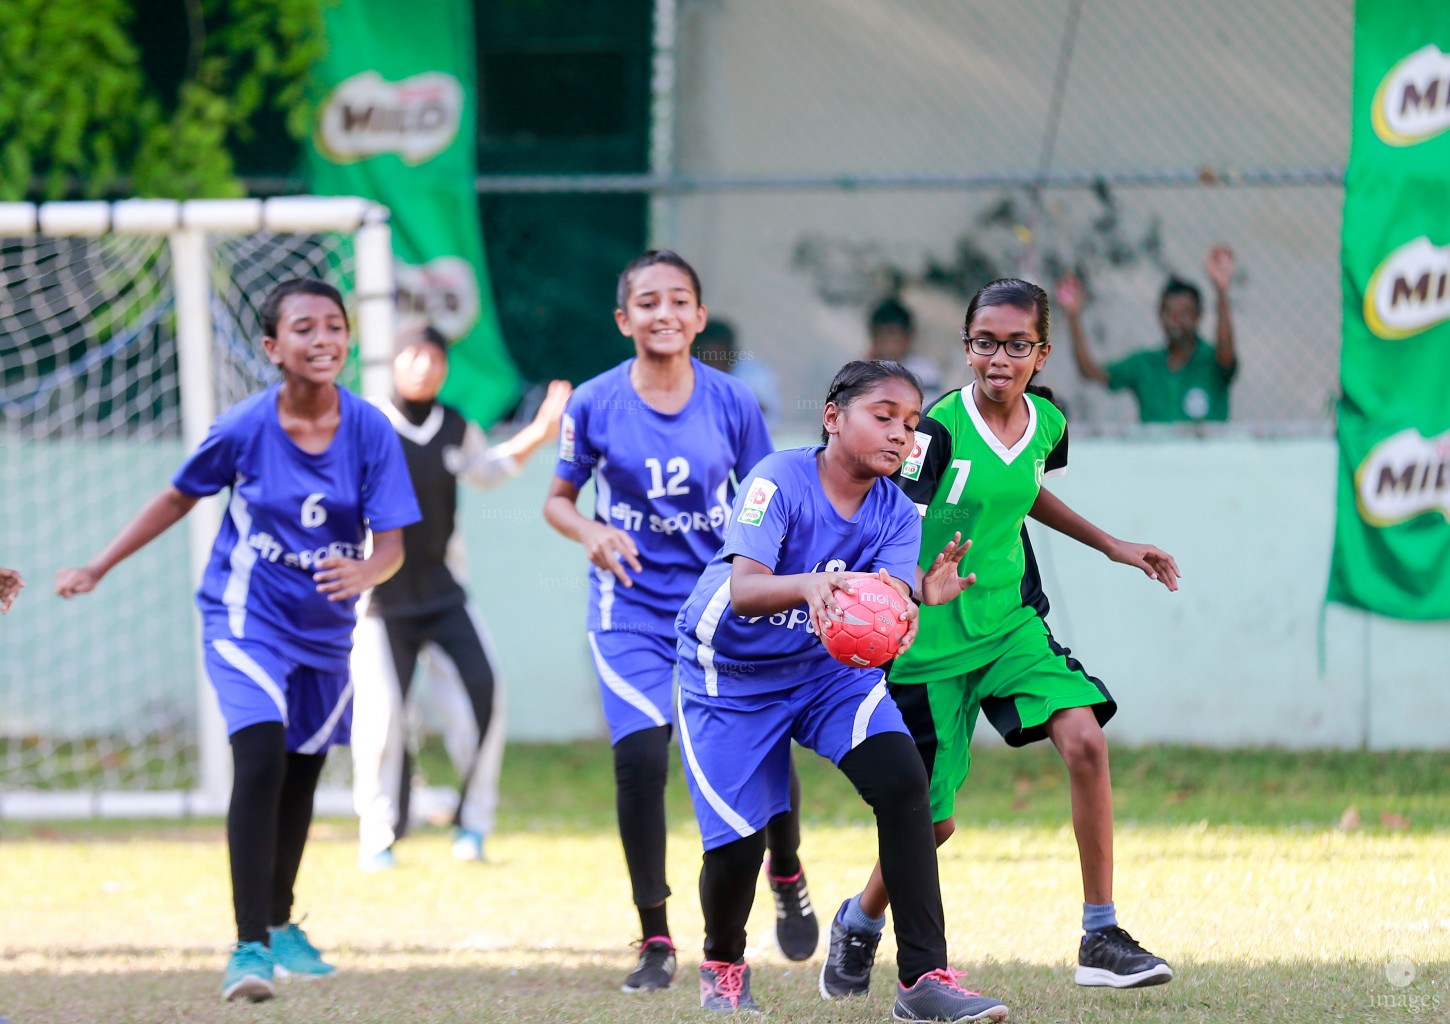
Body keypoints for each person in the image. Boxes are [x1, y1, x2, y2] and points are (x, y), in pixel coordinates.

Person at [55, 278, 420, 1003]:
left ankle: (281, 923)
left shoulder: (371, 429)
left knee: (301, 773)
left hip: (325, 633)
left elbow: (393, 547)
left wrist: (365, 572)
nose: (323, 340)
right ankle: (248, 947)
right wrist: (98, 564)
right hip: (245, 618)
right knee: (258, 754)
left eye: (334, 327)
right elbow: (176, 496)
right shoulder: (244, 426)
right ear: (271, 347)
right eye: (305, 328)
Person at [824, 279, 1181, 1003]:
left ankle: (1100, 934)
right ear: (966, 347)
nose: (999, 357)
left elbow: (1021, 488)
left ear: (1041, 352)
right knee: (935, 823)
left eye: (1017, 344)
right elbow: (883, 500)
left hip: (1010, 623)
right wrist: (901, 583)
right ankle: (861, 920)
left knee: (1084, 737)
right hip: (927, 644)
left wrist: (1110, 543)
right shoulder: (935, 432)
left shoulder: (1049, 421)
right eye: (984, 342)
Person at [675, 359, 1007, 1021]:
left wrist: (916, 598)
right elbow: (744, 591)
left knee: (905, 785)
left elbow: (884, 600)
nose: (901, 435)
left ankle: (923, 982)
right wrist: (809, 585)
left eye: (911, 424)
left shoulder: (894, 508)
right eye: (883, 416)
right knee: (738, 845)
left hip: (827, 673)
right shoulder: (779, 479)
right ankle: (723, 967)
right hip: (730, 678)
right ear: (833, 417)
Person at [543, 250, 818, 993]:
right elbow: (558, 498)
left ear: (699, 317)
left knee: (761, 745)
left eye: (679, 301)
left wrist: (785, 580)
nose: (664, 313)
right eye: (648, 301)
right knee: (640, 758)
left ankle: (785, 867)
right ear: (623, 318)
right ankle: (656, 938)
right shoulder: (595, 403)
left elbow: (770, 498)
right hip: (627, 603)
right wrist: (589, 532)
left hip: (719, 605)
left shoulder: (731, 402)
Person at [351, 325, 572, 870]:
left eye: (434, 357)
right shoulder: (366, 424)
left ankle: (472, 827)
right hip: (381, 602)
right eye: (413, 355)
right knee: (381, 721)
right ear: (394, 360)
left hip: (445, 595)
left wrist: (540, 433)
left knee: (482, 697)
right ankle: (379, 835)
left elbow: (486, 470)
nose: (424, 366)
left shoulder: (455, 426)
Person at [1057, 246, 1237, 424]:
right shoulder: (1144, 364)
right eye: (1169, 312)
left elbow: (1227, 355)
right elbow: (1090, 372)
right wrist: (1073, 317)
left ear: (1198, 316)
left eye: (1184, 314)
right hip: (1153, 453)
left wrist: (1221, 291)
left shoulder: (1212, 361)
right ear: (1159, 315)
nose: (1175, 320)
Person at [694, 319, 782, 429]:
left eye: (718, 357)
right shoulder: (689, 371)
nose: (713, 364)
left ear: (733, 353)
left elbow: (760, 411)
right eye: (705, 357)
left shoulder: (755, 374)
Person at [868, 297, 944, 400]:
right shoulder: (868, 369)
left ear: (907, 337)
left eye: (892, 337)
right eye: (880, 337)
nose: (886, 346)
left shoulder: (925, 372)